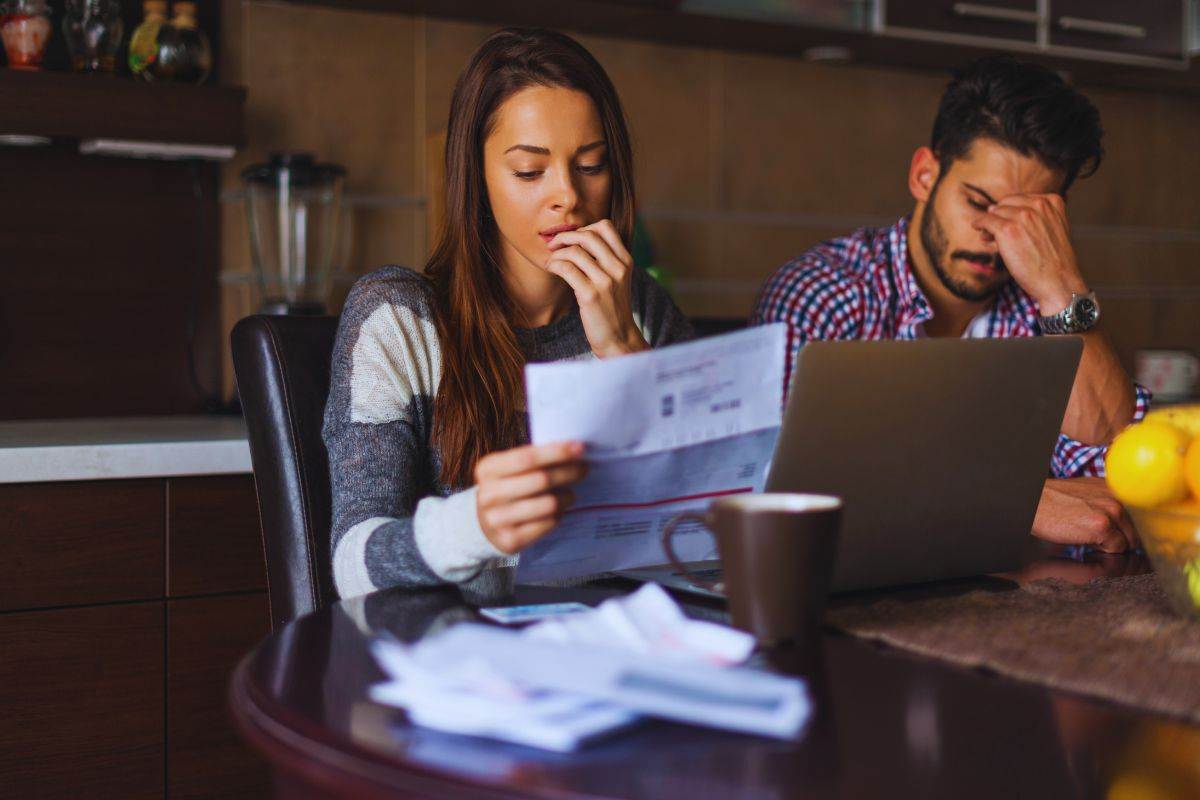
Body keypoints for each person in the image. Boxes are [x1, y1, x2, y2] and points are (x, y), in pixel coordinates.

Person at [323, 28, 692, 599]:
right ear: (477, 177)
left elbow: (707, 528)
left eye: (591, 165)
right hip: (466, 659)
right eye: (528, 171)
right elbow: (353, 567)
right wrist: (474, 526)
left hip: (619, 645)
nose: (567, 195)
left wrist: (623, 349)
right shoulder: (399, 319)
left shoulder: (639, 306)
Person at [752, 56, 1146, 553]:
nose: (994, 236)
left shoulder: (1045, 310)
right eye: (979, 203)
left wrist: (1062, 287)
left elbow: (1129, 486)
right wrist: (1020, 501)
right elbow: (782, 500)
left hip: (1018, 610)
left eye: (1026, 218)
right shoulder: (826, 293)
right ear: (924, 175)